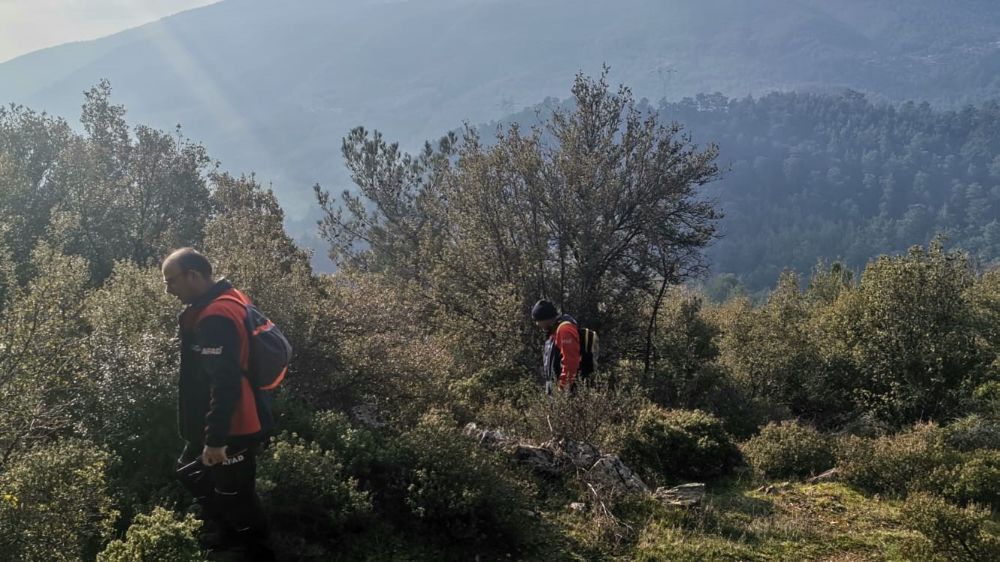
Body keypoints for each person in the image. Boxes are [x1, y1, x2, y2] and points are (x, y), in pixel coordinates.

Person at [162, 247, 275, 560]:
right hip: (221, 422)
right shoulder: (231, 297)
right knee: (190, 473)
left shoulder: (214, 317)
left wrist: (215, 441)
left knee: (238, 496)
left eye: (171, 281)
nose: (168, 289)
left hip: (232, 427)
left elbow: (224, 384)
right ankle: (228, 533)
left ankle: (255, 550)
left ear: (193, 275)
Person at [531, 299, 582, 394]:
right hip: (555, 389)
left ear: (545, 317)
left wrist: (562, 388)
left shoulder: (564, 329)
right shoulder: (553, 331)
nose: (537, 324)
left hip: (566, 391)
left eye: (537, 320)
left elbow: (570, 362)